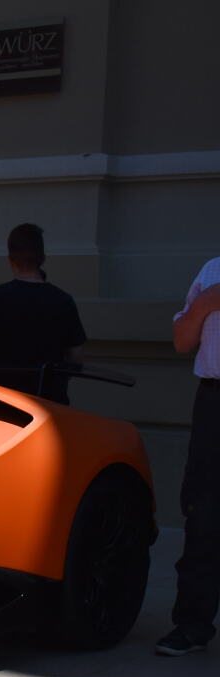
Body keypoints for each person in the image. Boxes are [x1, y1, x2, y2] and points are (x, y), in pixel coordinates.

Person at [156, 256, 220, 655]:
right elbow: (182, 341)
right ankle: (192, 625)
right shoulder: (212, 270)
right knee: (203, 514)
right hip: (214, 401)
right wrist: (205, 304)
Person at [0, 223, 86, 404]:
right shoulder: (63, 300)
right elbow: (76, 357)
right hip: (51, 401)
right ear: (43, 258)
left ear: (10, 259)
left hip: (8, 399)